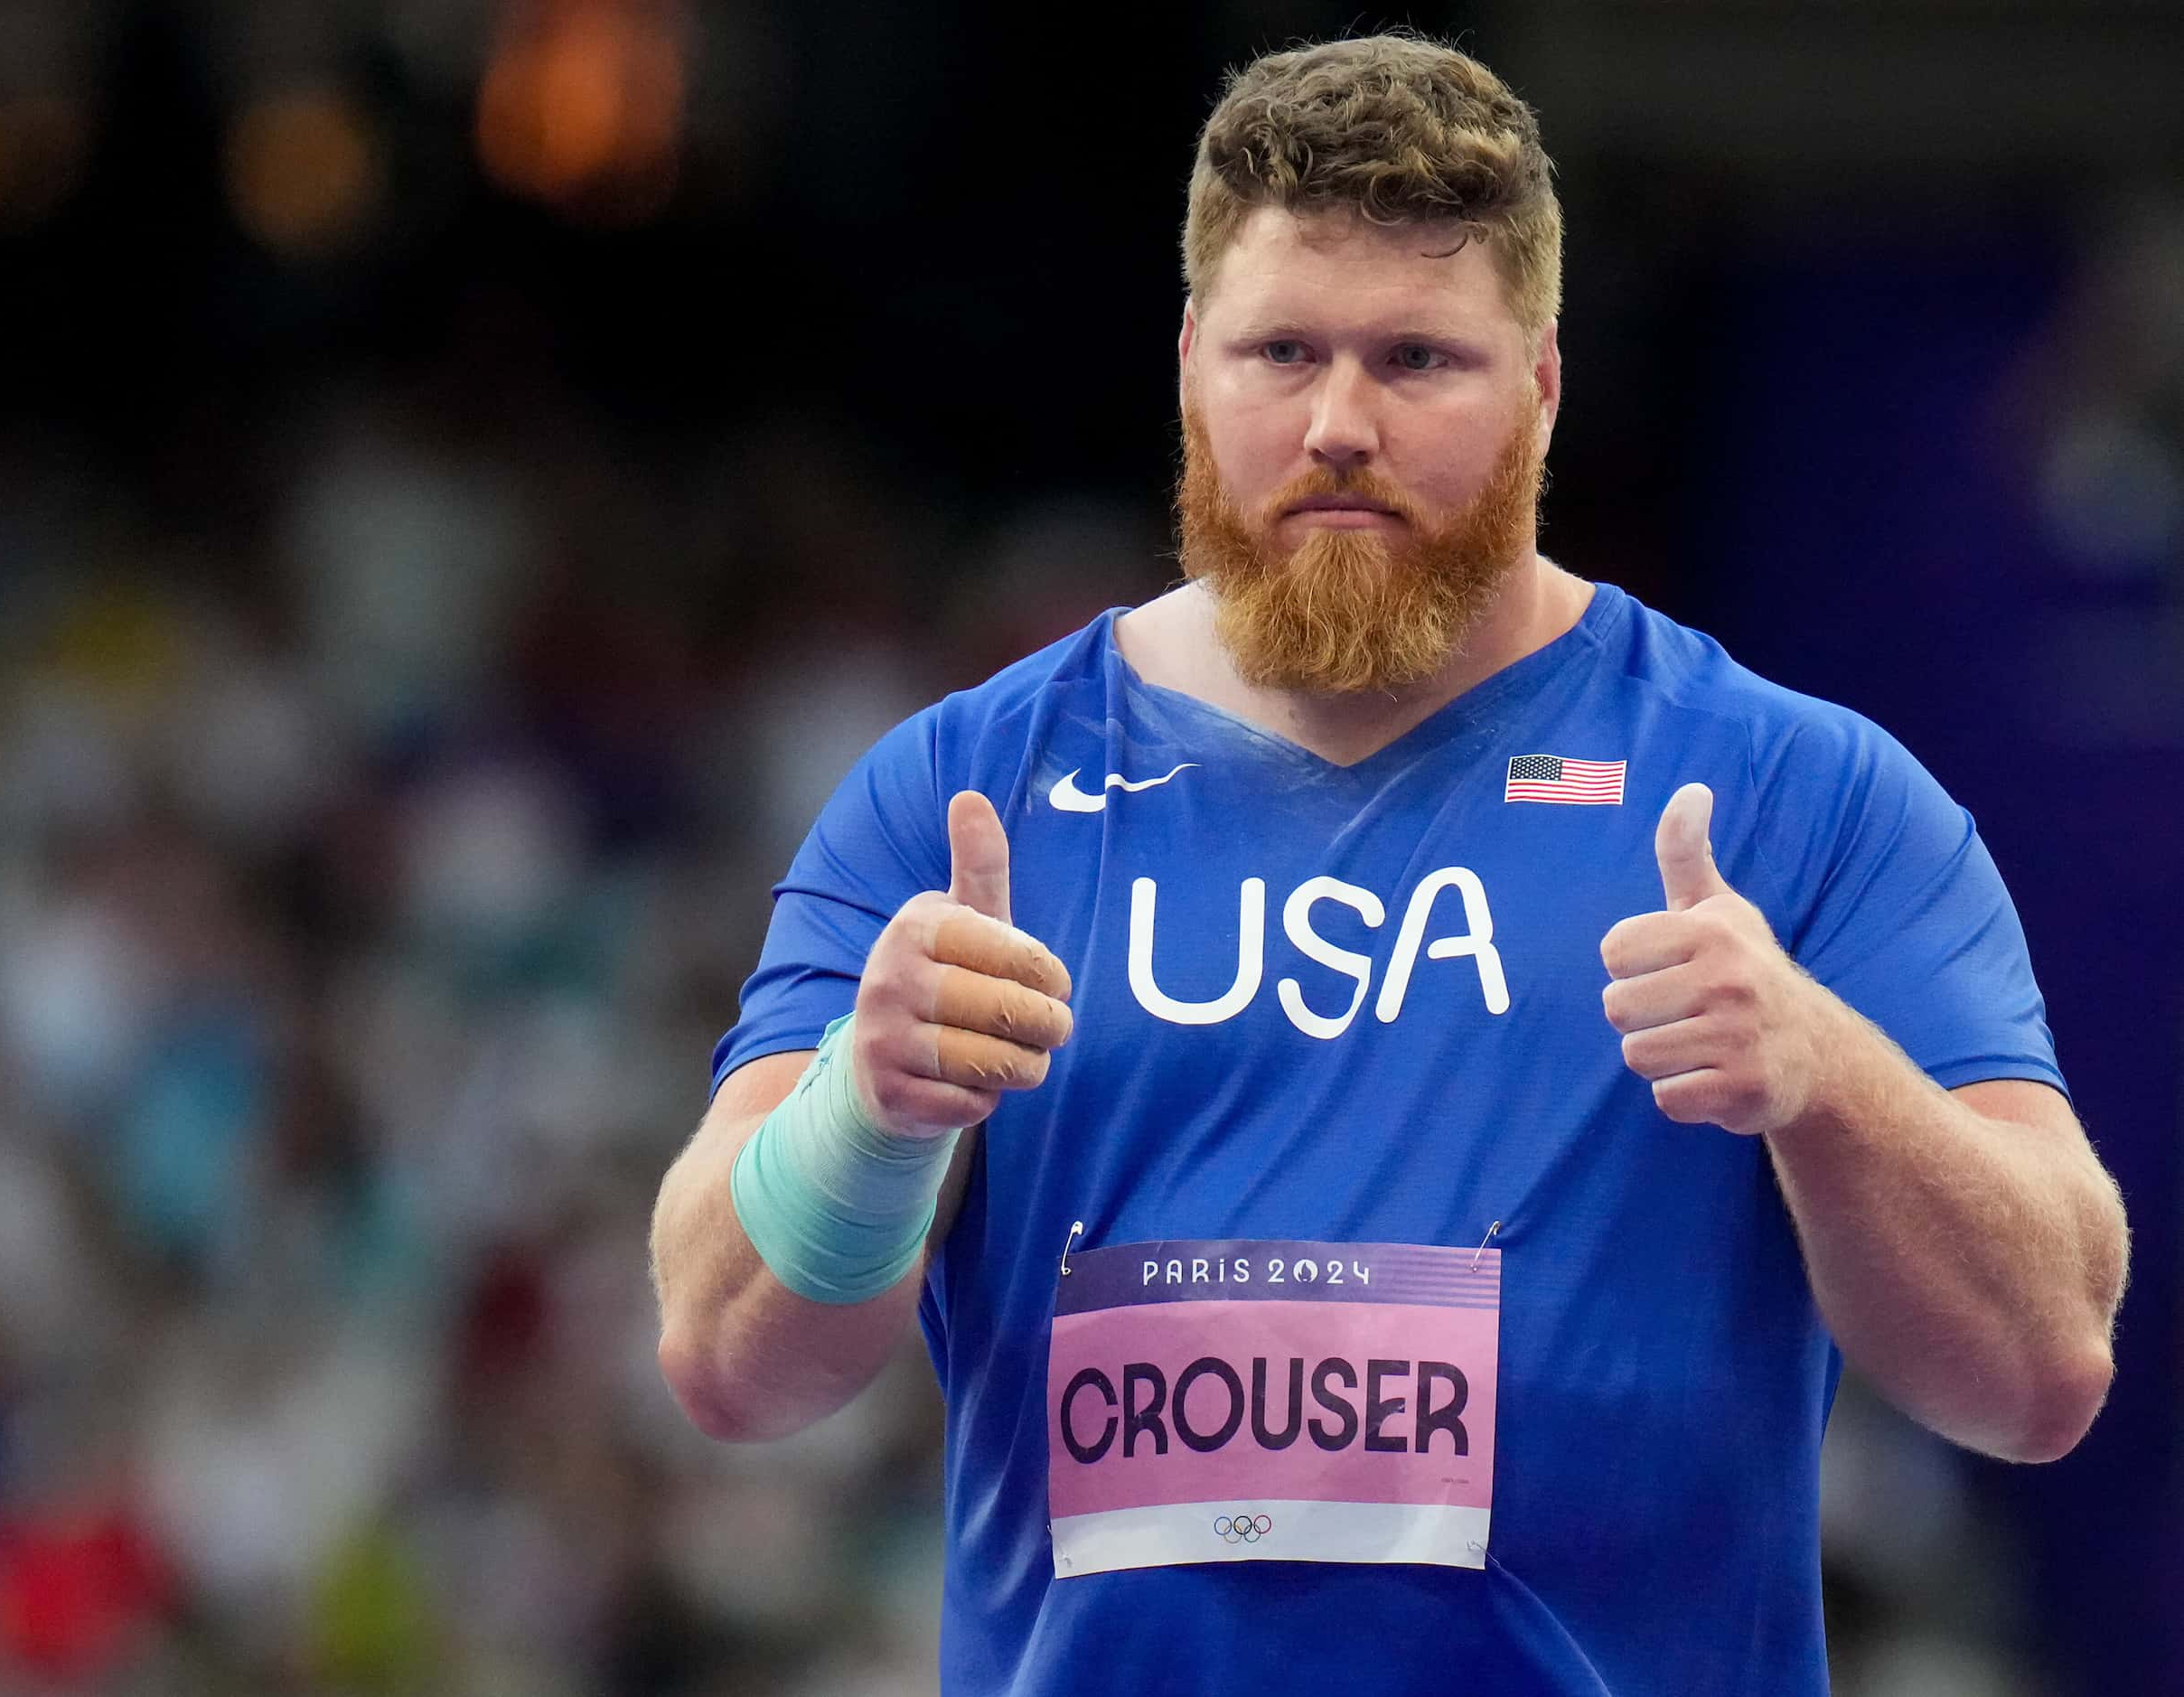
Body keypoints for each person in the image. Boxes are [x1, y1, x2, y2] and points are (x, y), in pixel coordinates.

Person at [648, 32, 2131, 1695]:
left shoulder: (1796, 797)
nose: (1340, 423)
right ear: (1192, 363)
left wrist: (1823, 1072)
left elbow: (2045, 1365)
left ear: (1546, 388)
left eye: (1420, 359)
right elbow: (724, 1360)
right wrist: (867, 1101)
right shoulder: (957, 801)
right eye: (1284, 351)